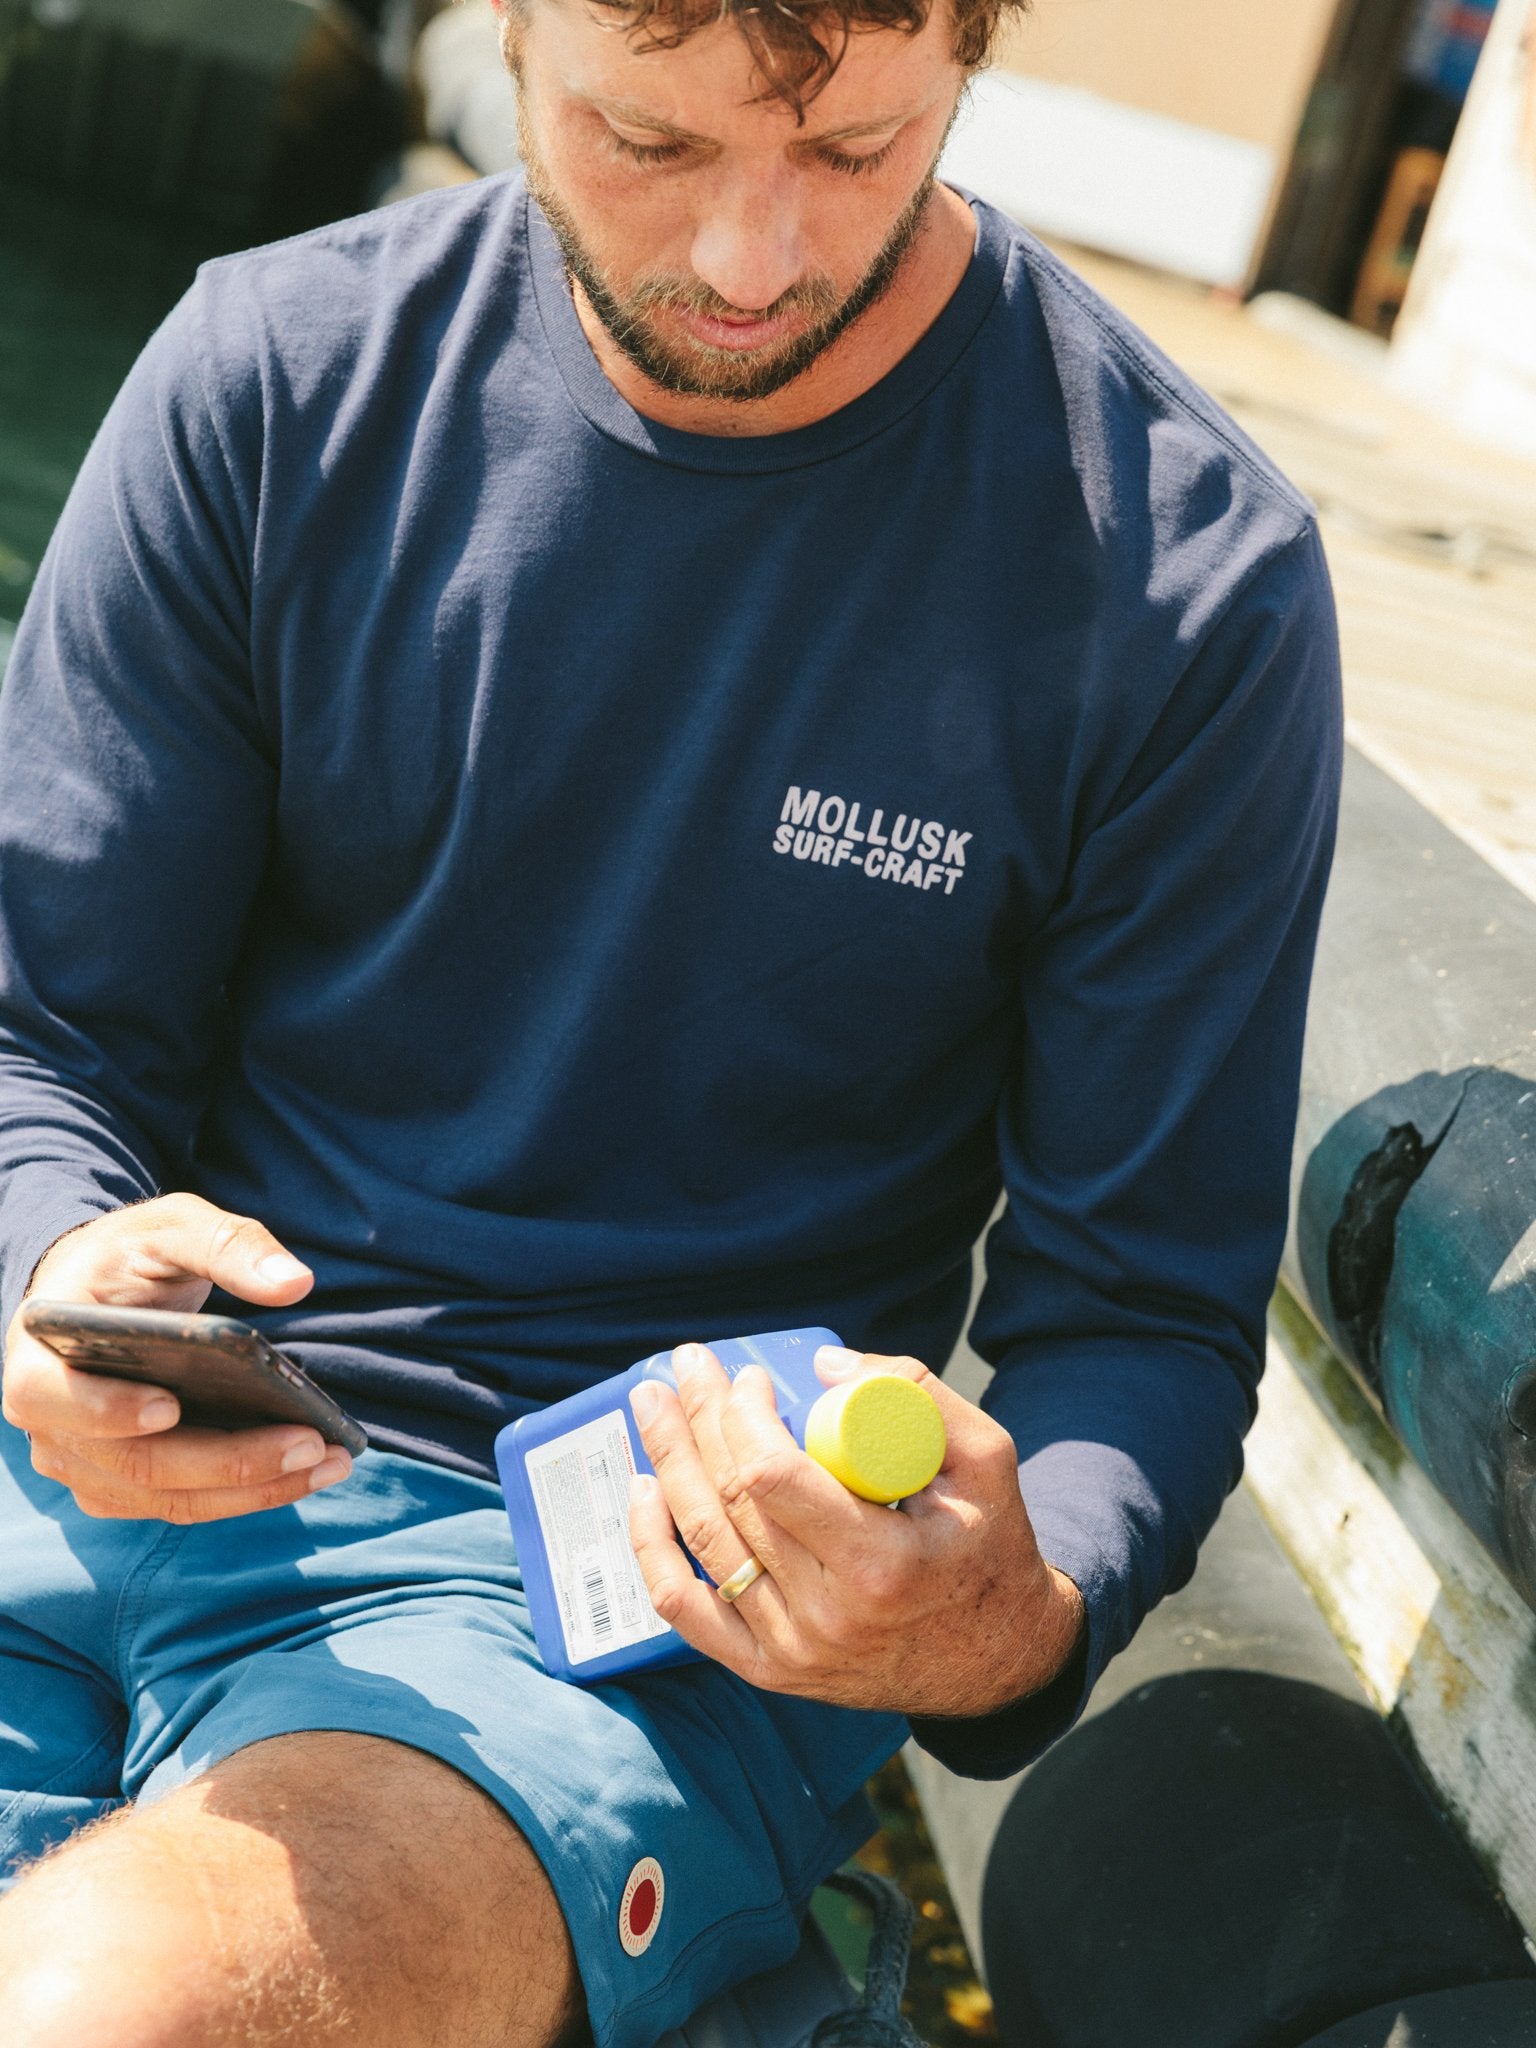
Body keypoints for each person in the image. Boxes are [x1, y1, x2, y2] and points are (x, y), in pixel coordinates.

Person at [0, 0, 1342, 2035]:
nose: (746, 257)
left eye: (861, 149)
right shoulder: (265, 378)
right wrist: (51, 1255)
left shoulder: (1185, 582)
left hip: (593, 1610)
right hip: (89, 1458)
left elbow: (1141, 1308)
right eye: (645, 141)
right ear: (507, 33)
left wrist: (1008, 1610)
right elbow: (41, 1031)